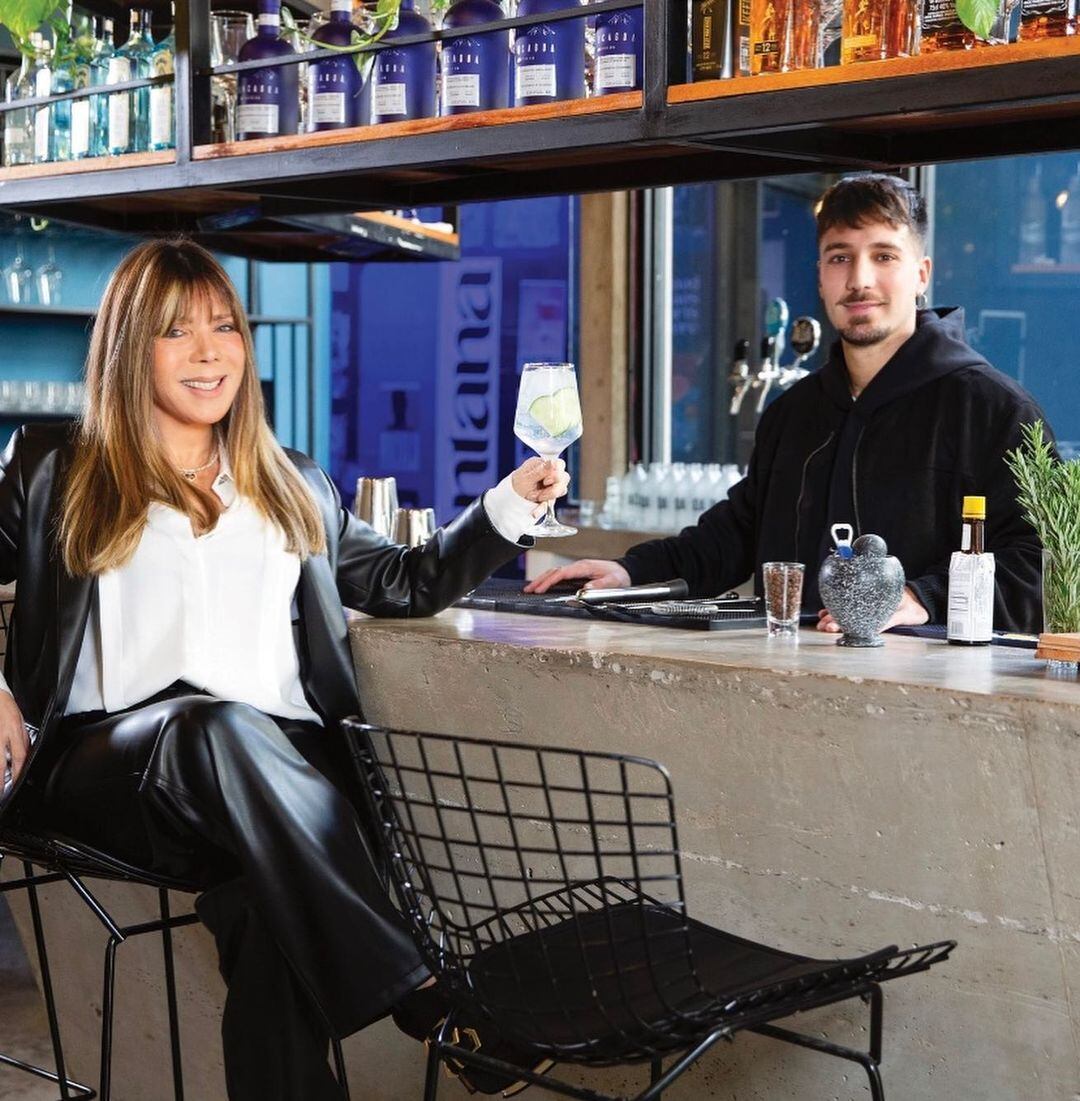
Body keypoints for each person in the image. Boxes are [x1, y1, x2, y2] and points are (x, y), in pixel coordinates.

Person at [0, 239, 569, 1101]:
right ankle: (431, 995)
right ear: (127, 345)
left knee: (273, 910)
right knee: (212, 722)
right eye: (176, 331)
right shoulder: (57, 465)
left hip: (269, 789)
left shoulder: (292, 481)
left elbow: (406, 584)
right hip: (108, 776)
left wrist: (512, 502)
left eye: (225, 327)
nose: (209, 352)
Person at [527, 174, 1048, 635]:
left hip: (933, 697)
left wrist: (919, 599)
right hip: (791, 682)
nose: (860, 279)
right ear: (820, 276)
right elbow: (735, 534)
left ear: (921, 273)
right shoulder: (794, 412)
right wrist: (630, 573)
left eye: (884, 255)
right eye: (840, 257)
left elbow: (1044, 562)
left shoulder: (994, 409)